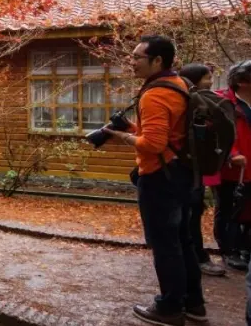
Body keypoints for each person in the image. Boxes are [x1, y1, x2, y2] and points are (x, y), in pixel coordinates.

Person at [105, 35, 205, 326]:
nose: (132, 62)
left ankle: (170, 308)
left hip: (160, 179)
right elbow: (168, 135)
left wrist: (121, 136)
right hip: (182, 173)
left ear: (157, 60)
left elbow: (153, 144)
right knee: (183, 241)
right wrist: (132, 128)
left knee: (165, 245)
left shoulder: (155, 94)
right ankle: (194, 304)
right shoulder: (180, 84)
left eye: (137, 57)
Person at [178, 64, 226, 277]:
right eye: (207, 78)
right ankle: (197, 258)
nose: (211, 82)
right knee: (190, 215)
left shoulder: (201, 100)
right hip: (187, 169)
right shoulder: (190, 102)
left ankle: (191, 257)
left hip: (195, 169)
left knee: (193, 213)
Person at [216, 61, 251, 271]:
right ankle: (229, 250)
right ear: (242, 82)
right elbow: (217, 134)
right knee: (230, 210)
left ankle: (245, 248)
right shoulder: (222, 102)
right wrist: (232, 155)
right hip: (232, 170)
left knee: (248, 211)